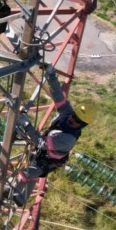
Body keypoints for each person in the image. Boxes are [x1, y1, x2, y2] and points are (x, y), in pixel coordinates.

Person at [11, 65, 97, 206]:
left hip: (50, 160)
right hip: (44, 151)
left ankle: (12, 191)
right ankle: (19, 196)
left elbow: (40, 142)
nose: (72, 119)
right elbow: (57, 94)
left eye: (76, 120)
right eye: (74, 115)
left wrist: (26, 124)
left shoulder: (68, 139)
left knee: (28, 173)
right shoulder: (67, 113)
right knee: (32, 173)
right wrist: (51, 74)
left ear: (82, 125)